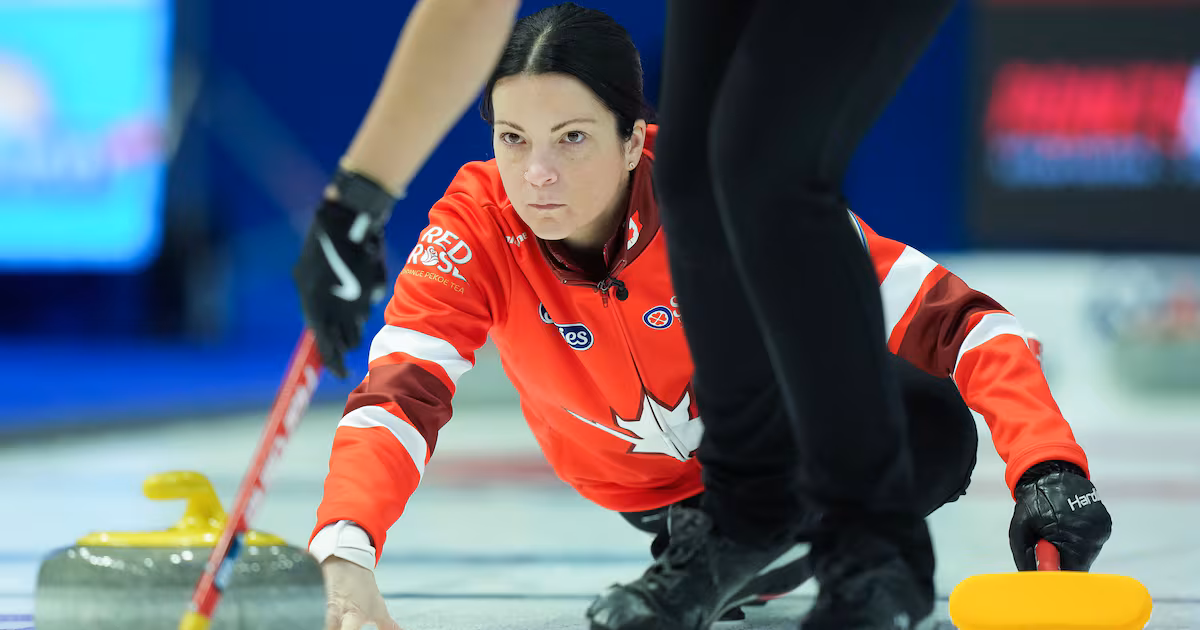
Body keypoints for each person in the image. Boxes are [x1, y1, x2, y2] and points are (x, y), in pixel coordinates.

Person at [307, 6, 1112, 630]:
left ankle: (780, 546)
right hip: (651, 495)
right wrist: (347, 555)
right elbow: (400, 394)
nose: (537, 175)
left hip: (785, 454)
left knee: (927, 421)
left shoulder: (724, 198)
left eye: (573, 138)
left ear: (634, 141)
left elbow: (964, 322)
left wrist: (1048, 470)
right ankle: (736, 543)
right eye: (512, 139)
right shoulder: (475, 224)